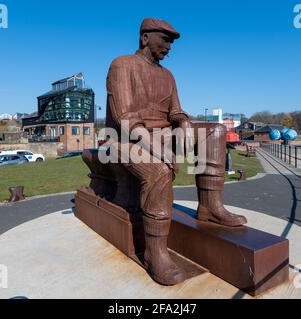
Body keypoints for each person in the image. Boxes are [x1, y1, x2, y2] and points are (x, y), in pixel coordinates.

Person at [105, 18, 247, 285]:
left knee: (214, 131)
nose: (170, 47)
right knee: (159, 169)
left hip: (161, 135)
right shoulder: (121, 64)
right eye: (165, 40)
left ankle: (211, 207)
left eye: (171, 42)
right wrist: (157, 149)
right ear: (145, 37)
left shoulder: (167, 75)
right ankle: (154, 252)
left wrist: (183, 123)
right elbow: (124, 117)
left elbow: (176, 111)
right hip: (124, 139)